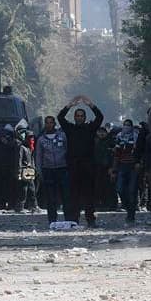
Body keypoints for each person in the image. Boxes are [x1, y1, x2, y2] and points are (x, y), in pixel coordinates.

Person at [58, 95, 104, 227]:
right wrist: (70, 105)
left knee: (89, 194)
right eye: (77, 116)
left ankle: (90, 219)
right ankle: (74, 219)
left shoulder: (90, 128)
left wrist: (91, 105)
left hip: (88, 165)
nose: (79, 118)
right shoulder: (70, 128)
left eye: (81, 116)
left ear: (84, 118)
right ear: (74, 117)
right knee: (74, 195)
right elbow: (60, 118)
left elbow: (100, 117)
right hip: (73, 165)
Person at [36, 116, 69, 223]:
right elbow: (39, 156)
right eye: (47, 122)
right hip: (48, 170)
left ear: (54, 124)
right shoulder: (41, 139)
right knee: (50, 198)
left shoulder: (63, 136)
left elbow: (68, 151)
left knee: (65, 196)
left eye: (51, 122)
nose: (49, 124)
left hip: (62, 169)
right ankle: (52, 220)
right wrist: (40, 172)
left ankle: (69, 219)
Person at [111, 119, 142, 224]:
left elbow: (139, 151)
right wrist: (114, 169)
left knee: (132, 191)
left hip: (133, 166)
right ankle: (128, 207)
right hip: (122, 166)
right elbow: (116, 153)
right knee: (120, 189)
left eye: (129, 125)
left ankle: (131, 214)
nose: (127, 127)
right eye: (125, 125)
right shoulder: (119, 136)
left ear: (132, 126)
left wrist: (139, 163)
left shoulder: (136, 136)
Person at [93, 125, 115, 211]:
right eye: (99, 132)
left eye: (103, 132)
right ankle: (98, 203)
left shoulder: (110, 142)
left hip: (108, 168)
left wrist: (112, 167)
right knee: (97, 186)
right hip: (97, 167)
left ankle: (110, 204)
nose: (101, 134)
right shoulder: (94, 142)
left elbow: (114, 156)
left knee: (109, 187)